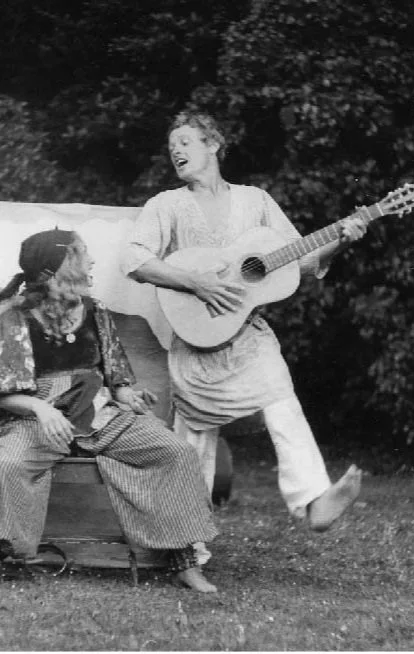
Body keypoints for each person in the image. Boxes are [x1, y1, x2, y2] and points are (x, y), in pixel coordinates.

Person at [122, 110, 366, 548]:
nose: (175, 150)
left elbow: (304, 259)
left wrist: (343, 237)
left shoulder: (256, 201)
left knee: (282, 399)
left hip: (247, 335)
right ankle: (185, 544)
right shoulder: (166, 205)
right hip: (196, 340)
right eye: (172, 145)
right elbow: (136, 261)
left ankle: (314, 501)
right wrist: (195, 280)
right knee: (194, 441)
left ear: (213, 144)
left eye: (186, 141)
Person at [0, 228, 218, 592]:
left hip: (99, 414)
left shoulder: (96, 312)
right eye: (83, 253)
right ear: (56, 267)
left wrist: (129, 396)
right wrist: (40, 409)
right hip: (37, 418)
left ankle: (183, 560)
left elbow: (117, 380)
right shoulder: (17, 318)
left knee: (175, 451)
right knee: (7, 465)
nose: (92, 260)